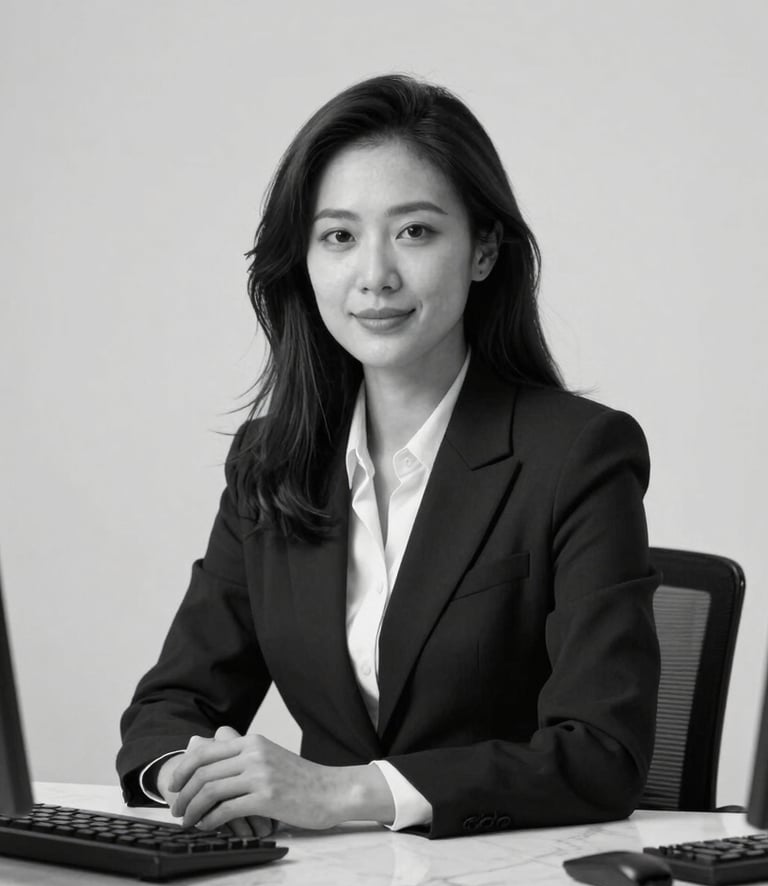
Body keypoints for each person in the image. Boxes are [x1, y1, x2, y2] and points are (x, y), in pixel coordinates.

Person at [117, 73, 660, 840]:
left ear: (483, 250)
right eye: (339, 236)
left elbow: (601, 755)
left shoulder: (577, 456)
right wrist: (191, 776)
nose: (375, 276)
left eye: (415, 232)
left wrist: (343, 793)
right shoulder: (273, 461)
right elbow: (172, 705)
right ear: (304, 263)